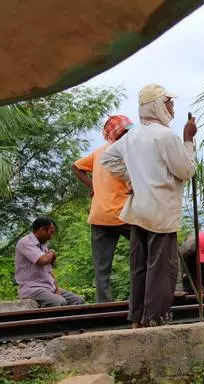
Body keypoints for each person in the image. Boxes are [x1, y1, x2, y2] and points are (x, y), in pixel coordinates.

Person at [100, 84, 197, 328]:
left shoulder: (132, 136)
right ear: (158, 106)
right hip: (160, 212)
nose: (173, 107)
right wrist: (188, 140)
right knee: (161, 268)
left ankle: (138, 318)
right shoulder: (166, 136)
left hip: (139, 211)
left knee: (140, 266)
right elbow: (185, 170)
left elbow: (107, 159)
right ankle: (154, 319)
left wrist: (132, 176)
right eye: (169, 103)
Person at [71, 115, 134, 303]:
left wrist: (94, 187)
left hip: (99, 217)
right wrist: (94, 187)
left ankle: (103, 306)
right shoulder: (126, 152)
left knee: (102, 268)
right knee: (144, 255)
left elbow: (76, 167)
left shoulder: (99, 152)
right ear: (117, 135)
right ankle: (140, 299)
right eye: (125, 132)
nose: (128, 135)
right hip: (124, 215)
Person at [15, 216, 85, 307]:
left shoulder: (43, 244)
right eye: (51, 233)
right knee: (60, 302)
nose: (51, 237)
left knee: (78, 301)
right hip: (33, 289)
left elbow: (49, 271)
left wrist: (57, 289)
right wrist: (52, 252)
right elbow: (43, 260)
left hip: (49, 287)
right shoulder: (25, 242)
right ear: (42, 229)